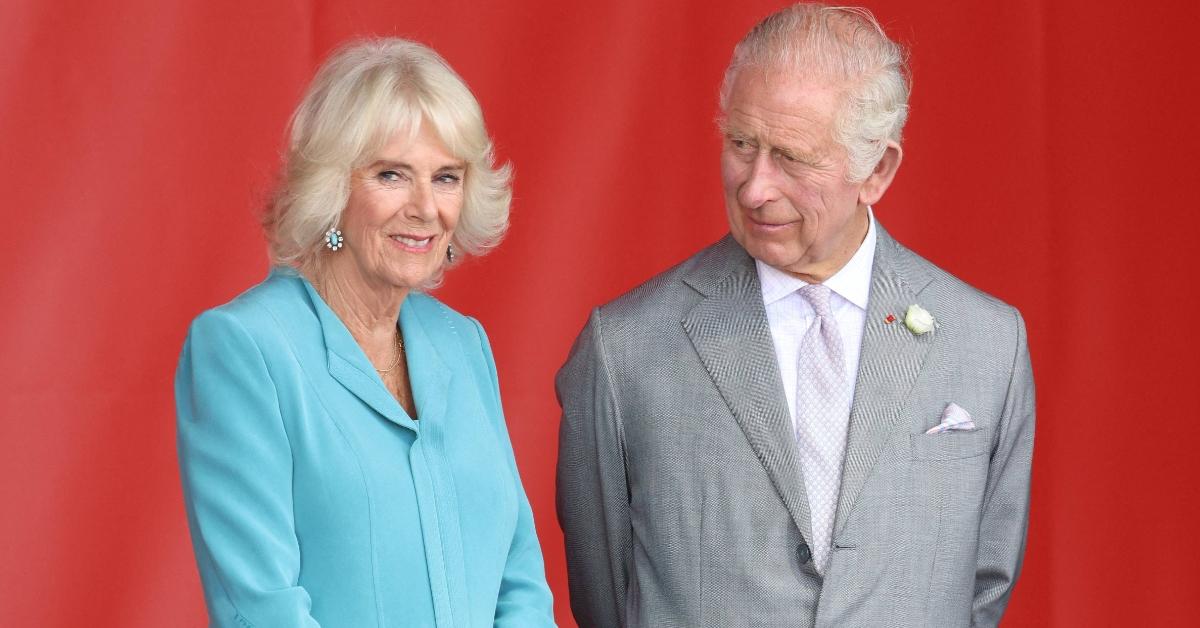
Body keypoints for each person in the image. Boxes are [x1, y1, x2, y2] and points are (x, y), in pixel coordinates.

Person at [556, 4, 1034, 627]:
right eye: (740, 144)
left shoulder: (985, 342)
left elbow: (984, 585)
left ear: (877, 170)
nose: (754, 187)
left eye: (791, 156)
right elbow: (605, 597)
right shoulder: (626, 350)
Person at [175, 39, 555, 627]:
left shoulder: (463, 343)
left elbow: (520, 581)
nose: (426, 207)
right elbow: (261, 608)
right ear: (332, 189)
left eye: (447, 177)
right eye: (391, 174)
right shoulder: (244, 349)